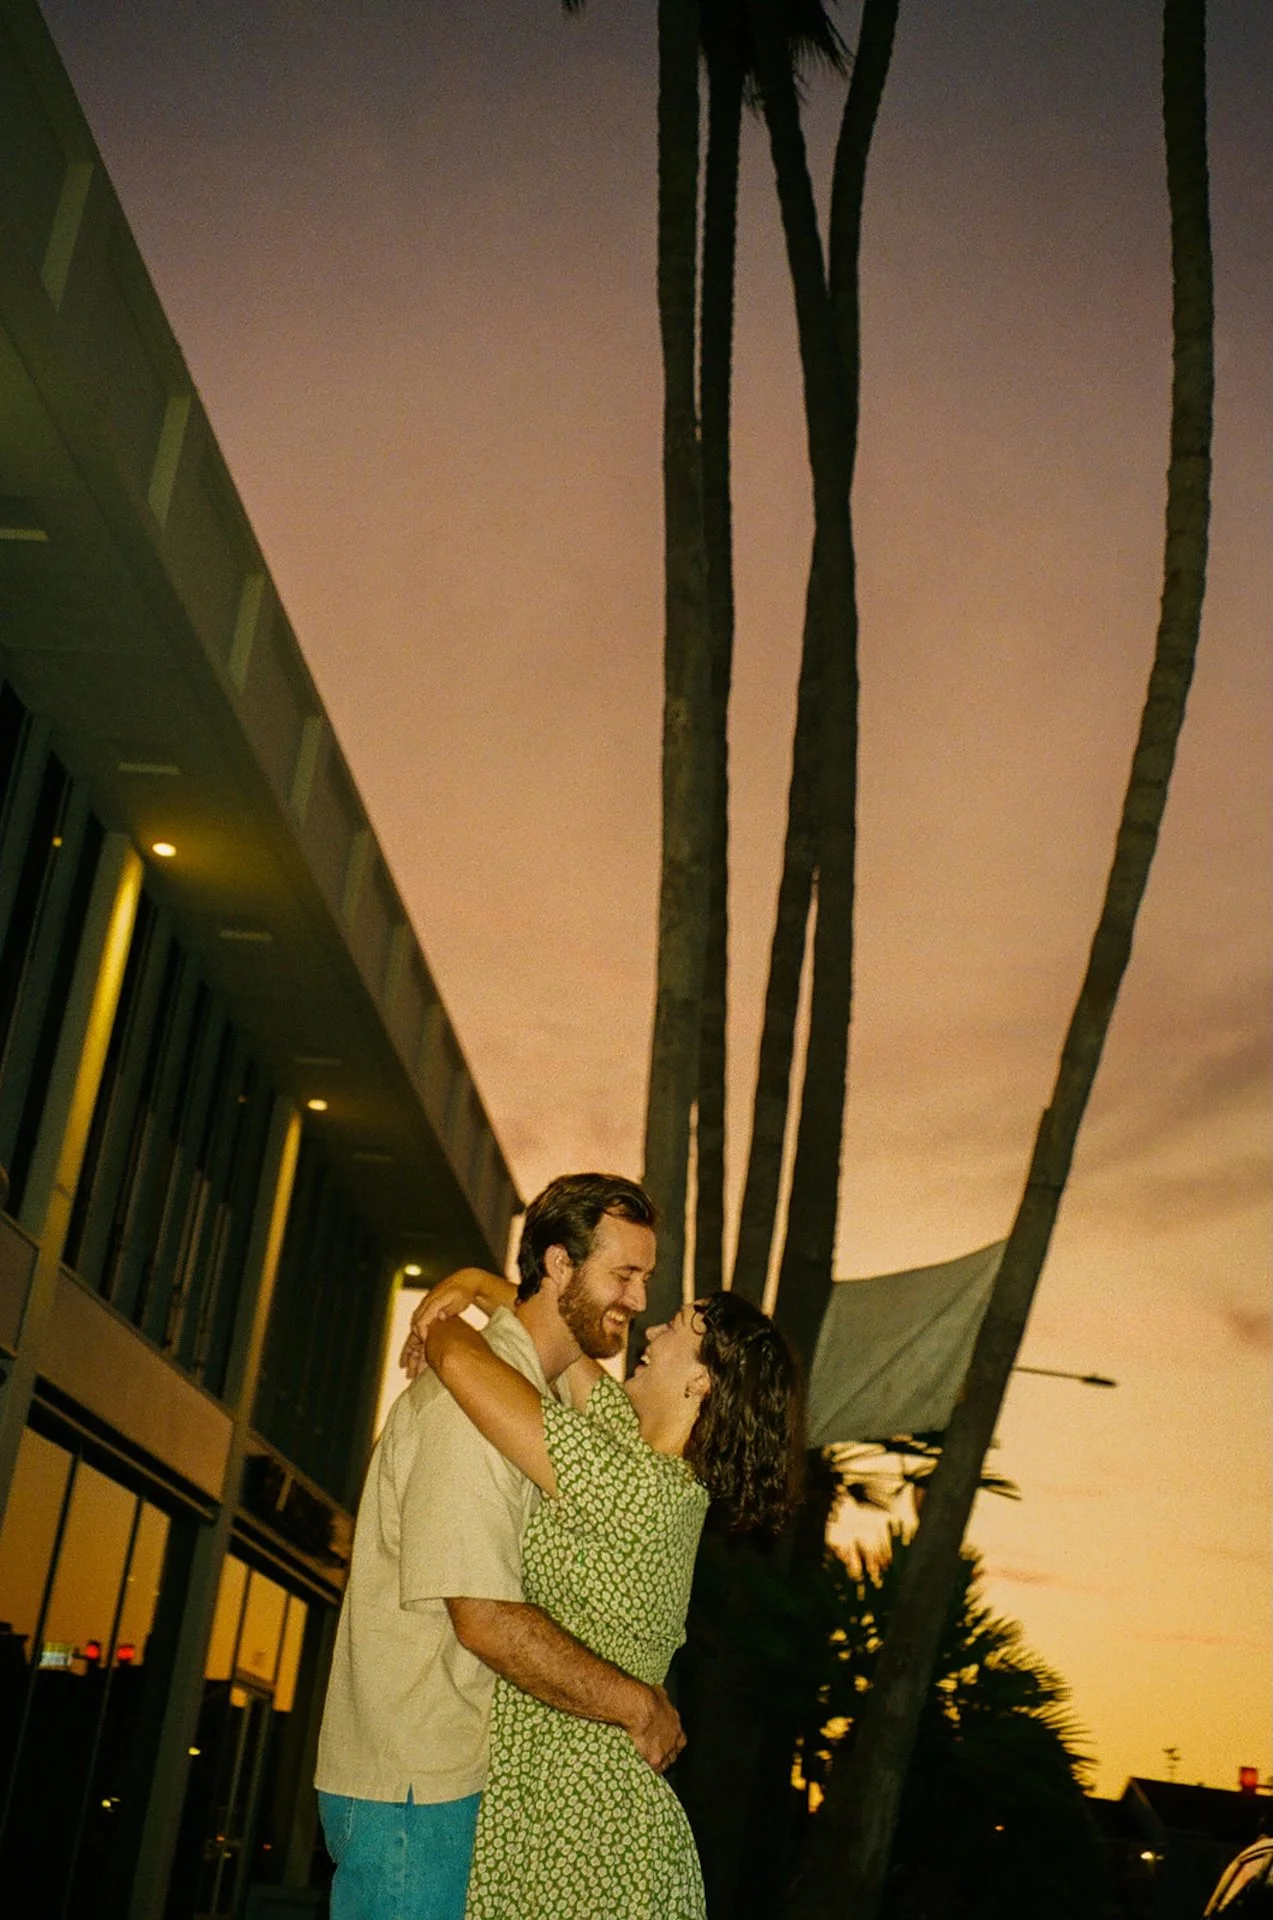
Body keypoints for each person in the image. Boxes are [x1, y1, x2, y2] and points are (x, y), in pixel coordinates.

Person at [314, 1173, 686, 1920]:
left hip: (444, 1782)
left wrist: (475, 1289)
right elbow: (482, 1617)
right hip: (414, 1792)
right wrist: (635, 1705)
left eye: (645, 1278)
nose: (640, 1303)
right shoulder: (473, 1405)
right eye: (624, 1275)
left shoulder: (521, 1394)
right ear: (557, 1266)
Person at [416, 1270, 804, 1920]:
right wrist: (480, 1284)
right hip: (568, 1811)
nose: (651, 1330)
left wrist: (441, 1315)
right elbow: (566, 1354)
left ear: (701, 1381)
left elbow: (459, 1360)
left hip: (581, 1828)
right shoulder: (645, 1460)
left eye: (677, 1326)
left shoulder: (629, 1485)